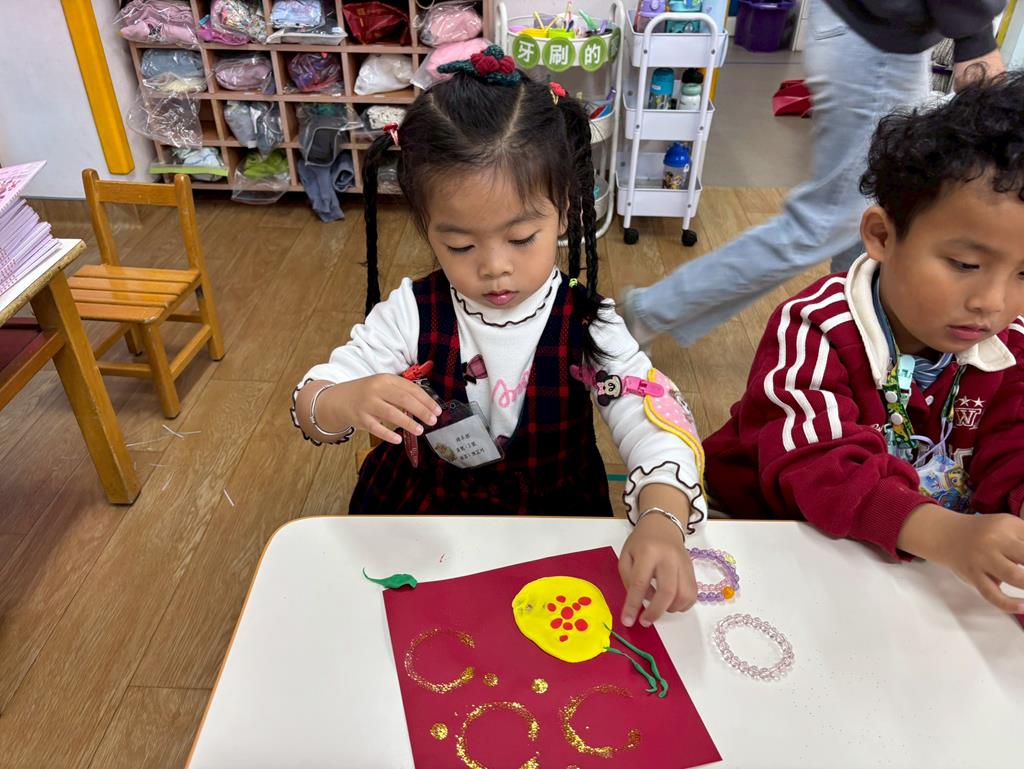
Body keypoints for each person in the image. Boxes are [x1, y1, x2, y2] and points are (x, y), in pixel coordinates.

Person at [291, 47, 707, 627]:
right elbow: (314, 400)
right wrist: (346, 398)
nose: (494, 267)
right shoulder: (412, 313)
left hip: (555, 528)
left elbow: (653, 417)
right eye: (460, 245)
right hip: (426, 526)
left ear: (564, 209)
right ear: (427, 228)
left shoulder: (588, 322)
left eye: (521, 238)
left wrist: (662, 517)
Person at [704, 72, 1024, 613]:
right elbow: (817, 466)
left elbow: (1014, 446)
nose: (991, 302)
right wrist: (947, 534)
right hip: (771, 528)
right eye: (965, 264)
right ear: (881, 235)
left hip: (911, 558)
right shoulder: (817, 327)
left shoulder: (1011, 345)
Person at [622, 0, 1006, 349]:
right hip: (878, 41)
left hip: (879, 35)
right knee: (825, 222)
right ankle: (650, 310)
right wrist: (975, 38)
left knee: (871, 209)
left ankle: (857, 338)